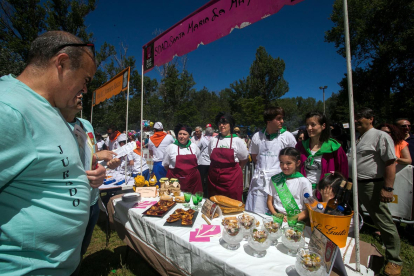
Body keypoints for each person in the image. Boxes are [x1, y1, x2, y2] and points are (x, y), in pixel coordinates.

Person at [0, 31, 106, 275]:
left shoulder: (49, 110)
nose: (85, 89)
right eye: (86, 80)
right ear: (62, 63)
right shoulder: (8, 108)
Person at [349, 108, 402, 276]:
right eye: (354, 119)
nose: (355, 121)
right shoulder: (358, 138)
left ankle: (394, 260)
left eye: (359, 118)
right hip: (355, 184)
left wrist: (387, 188)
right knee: (349, 215)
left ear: (371, 119)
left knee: (383, 221)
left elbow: (390, 163)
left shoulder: (381, 136)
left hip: (371, 185)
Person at [245, 106, 297, 214]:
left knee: (280, 212)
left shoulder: (287, 136)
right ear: (269, 121)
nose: (282, 121)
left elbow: (294, 159)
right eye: (278, 118)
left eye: (282, 118)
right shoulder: (257, 137)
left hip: (280, 181)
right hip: (260, 180)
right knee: (257, 212)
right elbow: (255, 158)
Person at [296, 111, 348, 192]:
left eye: (313, 125)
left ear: (323, 126)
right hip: (303, 191)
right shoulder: (300, 146)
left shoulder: (334, 147)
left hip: (326, 193)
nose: (309, 128)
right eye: (307, 125)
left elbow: (343, 173)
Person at [208, 112, 249, 201]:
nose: (222, 125)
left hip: (231, 180)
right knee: (215, 202)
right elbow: (210, 155)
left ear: (231, 125)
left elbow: (244, 158)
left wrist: (237, 170)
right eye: (220, 123)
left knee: (232, 203)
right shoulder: (213, 140)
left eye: (225, 123)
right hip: (215, 179)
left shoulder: (238, 141)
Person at [265, 147, 312, 221]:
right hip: (277, 218)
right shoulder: (275, 179)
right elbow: (269, 201)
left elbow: (309, 208)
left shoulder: (303, 182)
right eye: (281, 162)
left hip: (296, 220)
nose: (284, 166)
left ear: (298, 163)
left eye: (288, 163)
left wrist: (292, 219)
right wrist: (275, 214)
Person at [163, 124, 202, 194]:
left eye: (184, 134)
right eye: (180, 134)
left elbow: (197, 162)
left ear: (189, 136)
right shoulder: (171, 147)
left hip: (193, 182)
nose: (182, 136)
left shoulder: (194, 147)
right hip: (175, 182)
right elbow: (166, 164)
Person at [148, 122, 174, 186]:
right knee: (169, 185)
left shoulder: (150, 139)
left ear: (154, 130)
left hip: (157, 165)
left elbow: (150, 152)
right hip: (168, 164)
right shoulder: (169, 137)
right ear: (163, 129)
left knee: (157, 185)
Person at [198, 126, 214, 197]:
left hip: (202, 162)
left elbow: (198, 147)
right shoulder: (214, 139)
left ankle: (200, 192)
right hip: (211, 162)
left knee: (201, 179)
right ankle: (208, 194)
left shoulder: (203, 139)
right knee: (209, 179)